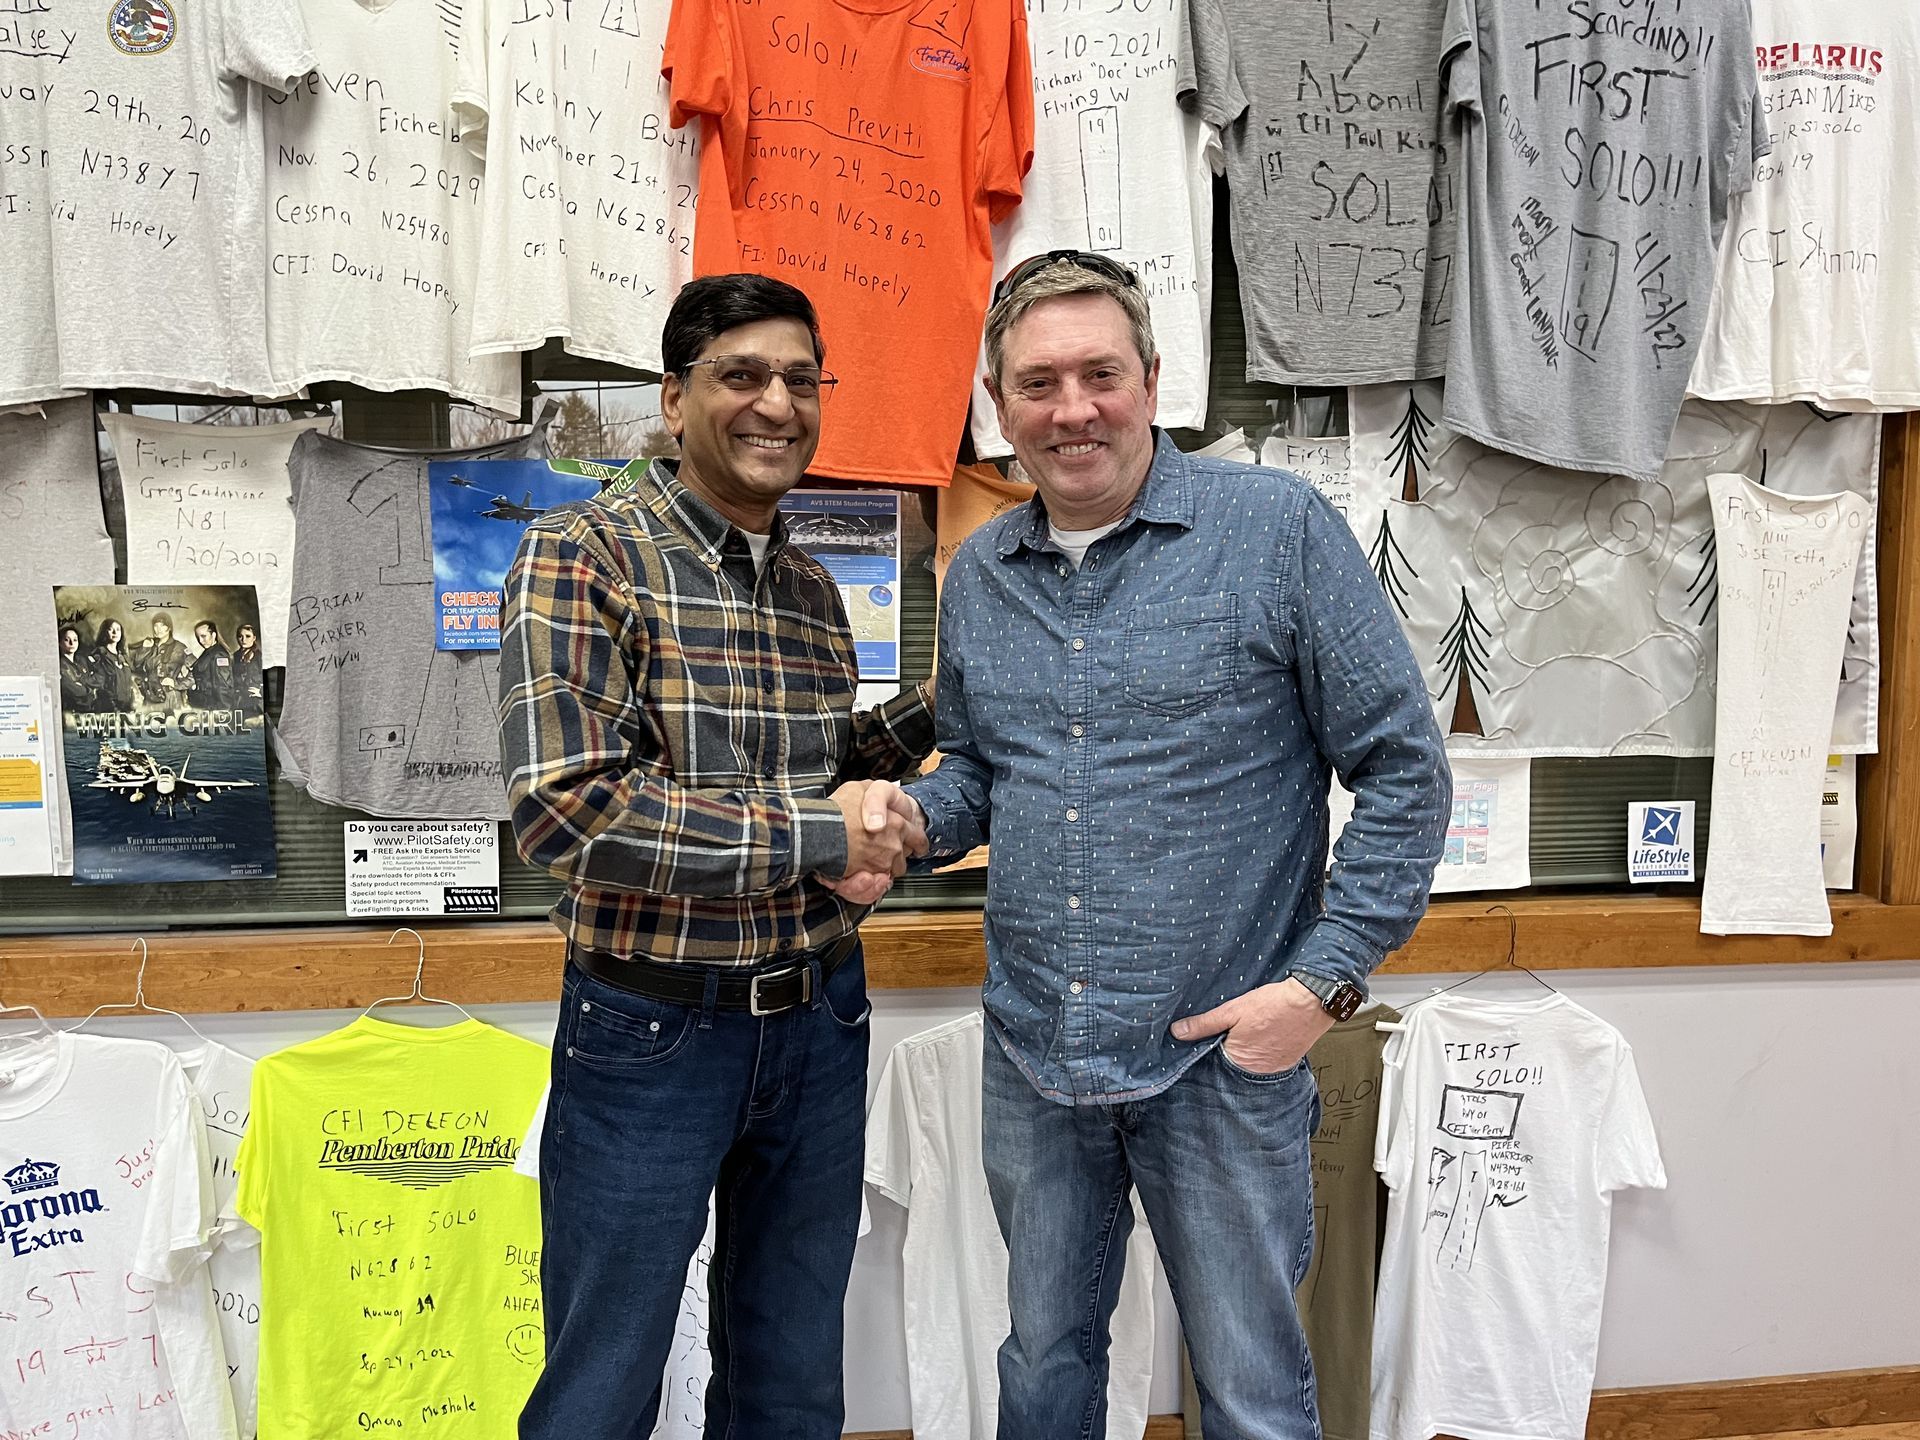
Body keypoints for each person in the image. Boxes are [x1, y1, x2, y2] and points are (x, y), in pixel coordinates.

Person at [865, 253, 1452, 1439]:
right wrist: (913, 820)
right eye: (1038, 384)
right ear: (999, 404)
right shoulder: (981, 576)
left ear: (1154, 379)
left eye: (1101, 375)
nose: (1072, 409)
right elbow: (982, 772)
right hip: (1037, 1052)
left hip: (1224, 1058)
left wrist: (1322, 987)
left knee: (1250, 1389)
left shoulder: (1276, 530)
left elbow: (1404, 768)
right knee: (1043, 1364)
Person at [498, 272, 934, 1440]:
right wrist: (824, 834)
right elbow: (569, 811)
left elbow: (812, 771)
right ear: (673, 396)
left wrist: (940, 707)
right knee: (600, 1388)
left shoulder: (810, 586)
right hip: (652, 1029)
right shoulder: (580, 554)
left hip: (819, 1019)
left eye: (801, 379)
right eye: (742, 375)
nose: (777, 404)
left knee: (792, 1383)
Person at [132, 613, 192, 710]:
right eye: (156, 626)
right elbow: (135, 667)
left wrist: (177, 684)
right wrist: (144, 649)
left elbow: (198, 671)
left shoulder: (179, 647)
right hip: (149, 696)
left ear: (169, 628)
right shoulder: (150, 645)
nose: (158, 629)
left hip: (170, 697)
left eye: (162, 625)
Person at [87, 618, 135, 713]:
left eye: (118, 629)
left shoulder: (124, 657)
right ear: (105, 632)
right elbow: (96, 682)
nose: (115, 632)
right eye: (111, 629)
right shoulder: (99, 655)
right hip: (108, 708)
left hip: (126, 707)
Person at [190, 620, 237, 711]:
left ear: (214, 635)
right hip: (205, 705)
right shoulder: (209, 652)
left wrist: (224, 711)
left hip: (214, 707)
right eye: (198, 637)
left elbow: (223, 686)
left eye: (203, 636)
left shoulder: (219, 655)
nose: (200, 641)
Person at [58, 624, 97, 714]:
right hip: (69, 711)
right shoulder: (59, 664)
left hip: (88, 711)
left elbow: (92, 681)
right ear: (60, 643)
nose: (72, 643)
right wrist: (88, 690)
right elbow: (70, 688)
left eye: (75, 640)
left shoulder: (82, 662)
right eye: (67, 640)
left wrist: (84, 685)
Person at [231, 622, 264, 717]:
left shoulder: (259, 656)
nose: (243, 640)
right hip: (238, 701)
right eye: (240, 636)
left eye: (248, 636)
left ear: (254, 638)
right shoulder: (235, 656)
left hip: (255, 703)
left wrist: (260, 692)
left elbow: (270, 678)